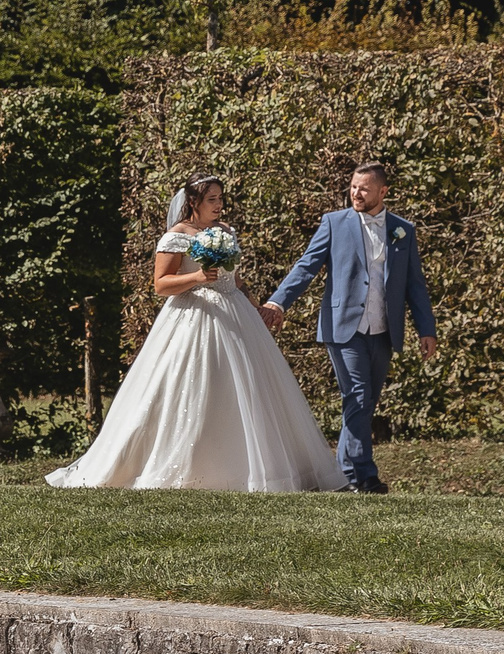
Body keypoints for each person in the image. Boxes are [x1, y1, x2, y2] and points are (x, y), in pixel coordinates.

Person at [46, 176, 344, 492]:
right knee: (192, 384)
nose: (219, 205)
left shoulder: (226, 232)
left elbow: (236, 281)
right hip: (194, 316)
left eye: (220, 198)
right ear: (193, 202)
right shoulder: (177, 236)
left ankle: (261, 469)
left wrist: (258, 307)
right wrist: (198, 277)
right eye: (212, 199)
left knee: (251, 387)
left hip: (237, 317)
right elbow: (161, 284)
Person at [259, 162, 436, 494]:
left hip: (384, 329)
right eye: (353, 186)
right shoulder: (334, 223)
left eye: (365, 188)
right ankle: (363, 476)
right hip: (344, 327)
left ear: (383, 192)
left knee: (365, 402)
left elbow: (415, 285)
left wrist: (426, 329)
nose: (356, 193)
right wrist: (278, 302)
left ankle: (341, 473)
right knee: (357, 394)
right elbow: (306, 266)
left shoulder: (402, 230)